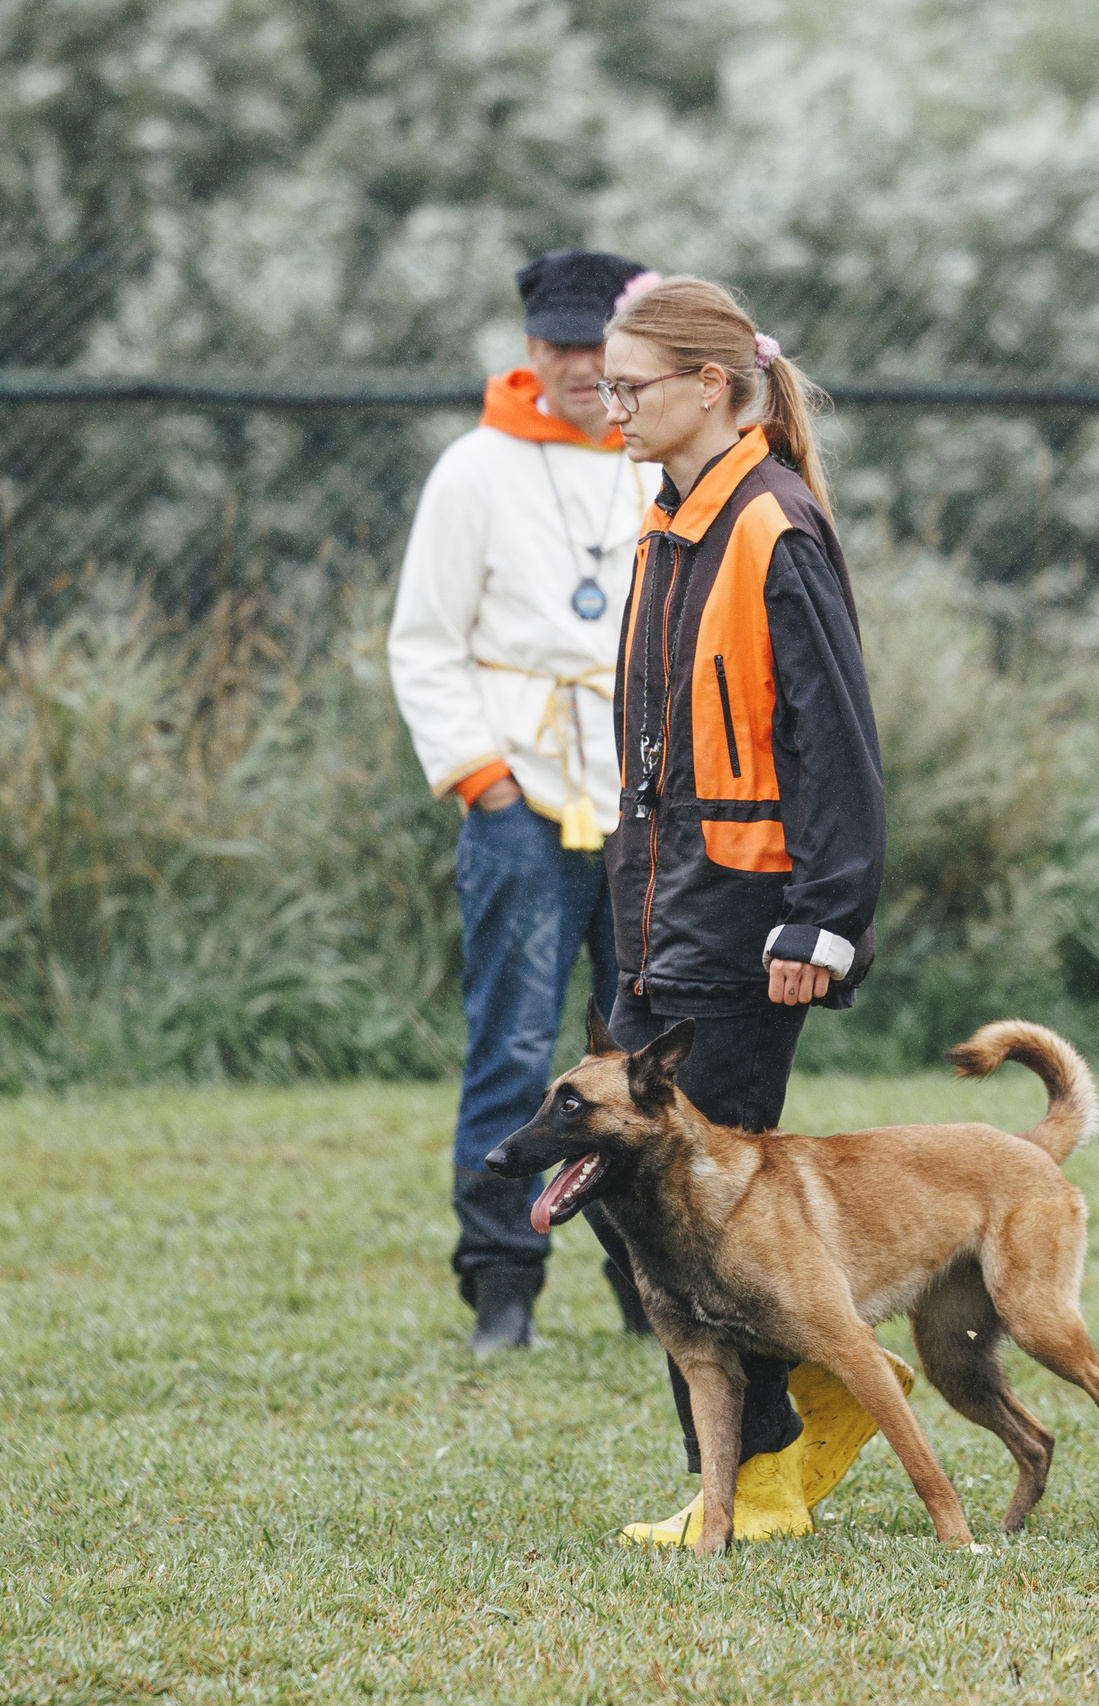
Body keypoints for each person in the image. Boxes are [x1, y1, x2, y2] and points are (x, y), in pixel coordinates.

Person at [586, 275, 905, 1546]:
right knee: (632, 1203)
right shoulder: (673, 518)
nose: (609, 406)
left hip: (741, 929)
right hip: (657, 918)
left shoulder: (773, 523)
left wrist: (822, 917)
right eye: (604, 385)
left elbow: (838, 742)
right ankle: (821, 1391)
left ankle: (765, 1474)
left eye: (630, 385)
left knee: (695, 1217)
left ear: (711, 386)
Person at [389, 247, 664, 1354]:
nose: (580, 366)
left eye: (599, 345)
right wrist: (483, 780)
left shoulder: (655, 460)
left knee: (640, 1051)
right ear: (529, 351)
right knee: (512, 1049)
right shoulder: (473, 468)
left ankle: (653, 1279)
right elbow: (424, 642)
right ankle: (502, 1283)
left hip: (641, 801)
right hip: (523, 799)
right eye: (558, 345)